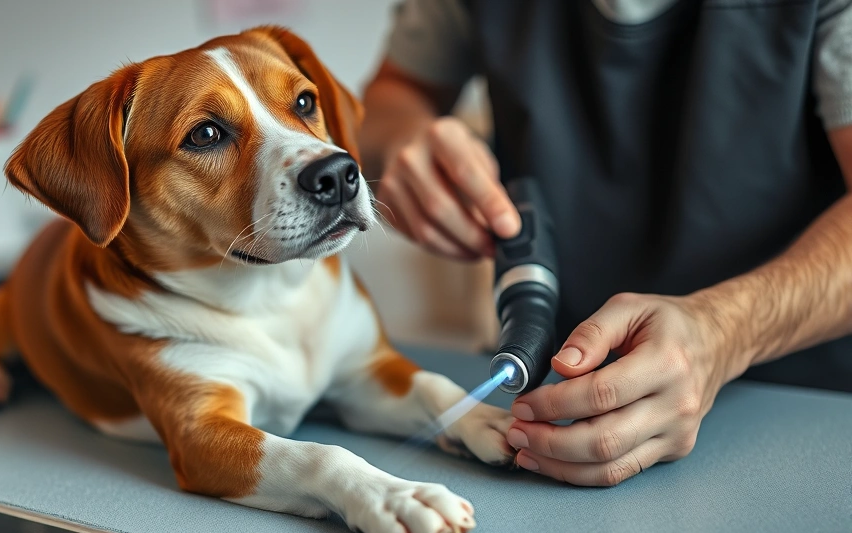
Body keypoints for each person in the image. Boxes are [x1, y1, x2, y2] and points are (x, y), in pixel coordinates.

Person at [359, 0, 852, 486]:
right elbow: (394, 96)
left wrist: (724, 331)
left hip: (804, 416)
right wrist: (401, 140)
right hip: (557, 400)